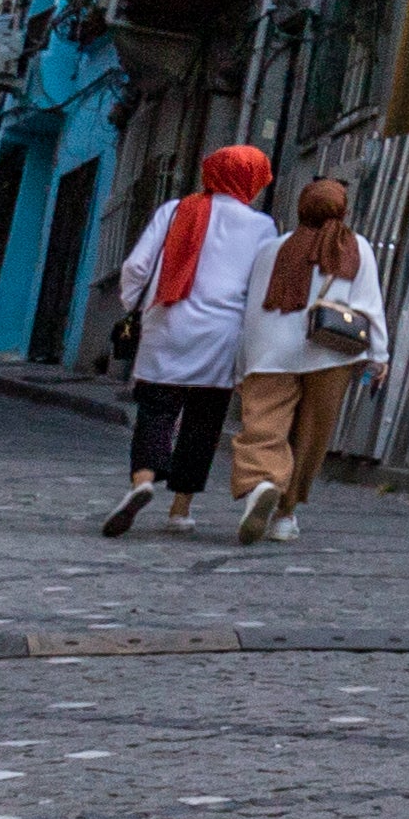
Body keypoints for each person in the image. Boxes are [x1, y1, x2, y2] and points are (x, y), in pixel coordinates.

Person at [103, 140, 275, 536]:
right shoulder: (262, 226)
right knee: (203, 420)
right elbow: (261, 289)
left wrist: (137, 305)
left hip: (167, 322)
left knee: (156, 411)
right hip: (221, 333)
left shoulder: (175, 210)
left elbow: (137, 265)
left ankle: (142, 481)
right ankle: (180, 510)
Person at [228, 174, 379, 546]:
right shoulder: (356, 248)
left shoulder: (272, 249)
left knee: (264, 427)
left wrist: (241, 362)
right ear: (342, 209)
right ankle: (285, 514)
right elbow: (368, 305)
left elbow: (251, 309)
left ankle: (264, 482)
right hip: (331, 352)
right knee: (311, 437)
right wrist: (379, 355)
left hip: (270, 351)